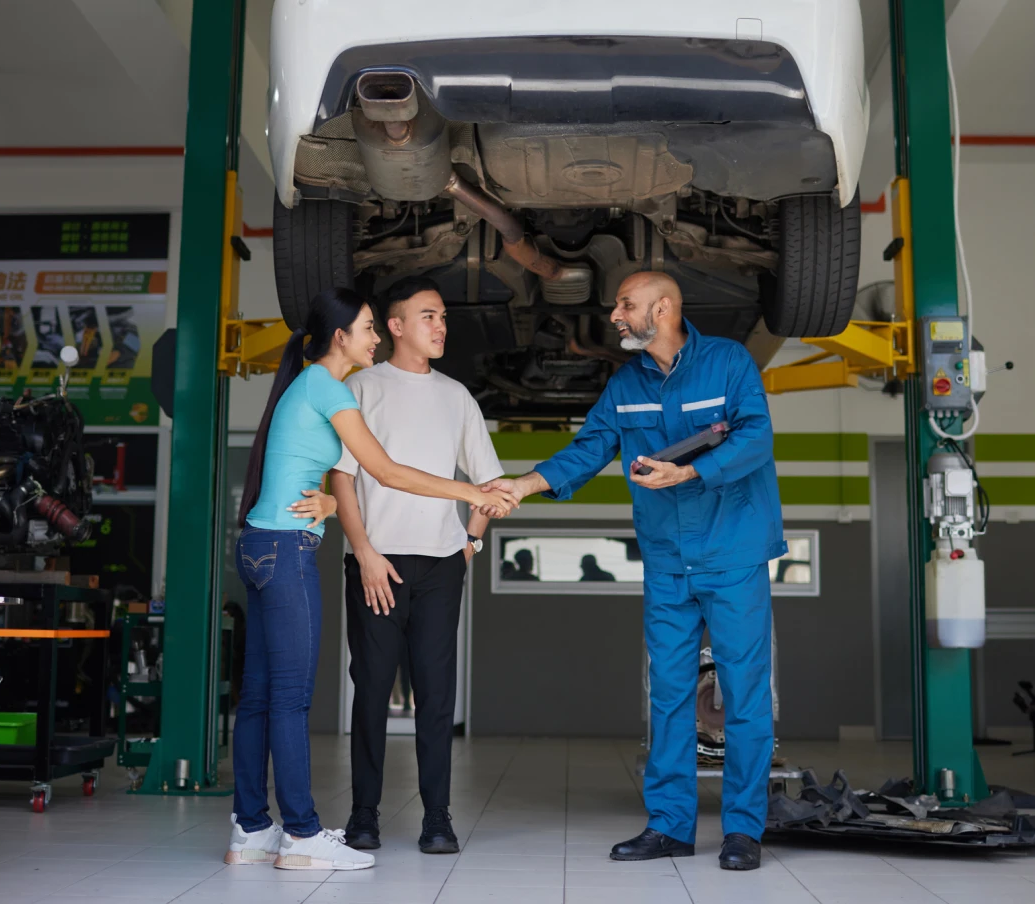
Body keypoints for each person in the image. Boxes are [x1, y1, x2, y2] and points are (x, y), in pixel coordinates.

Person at [484, 272, 783, 872]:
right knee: (670, 697)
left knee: (745, 697)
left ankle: (743, 831)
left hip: (732, 555)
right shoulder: (625, 385)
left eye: (627, 304)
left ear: (664, 307)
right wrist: (524, 483)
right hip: (669, 563)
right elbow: (589, 448)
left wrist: (692, 472)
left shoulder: (727, 363)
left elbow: (756, 437)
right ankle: (670, 826)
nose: (616, 314)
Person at [226, 287, 516, 872]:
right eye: (368, 329)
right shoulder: (337, 387)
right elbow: (375, 470)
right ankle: (306, 834)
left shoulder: (313, 384)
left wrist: (469, 538)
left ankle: (251, 828)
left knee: (259, 697)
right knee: (289, 699)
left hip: (266, 542)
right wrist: (466, 493)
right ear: (347, 335)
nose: (374, 340)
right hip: (297, 553)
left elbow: (323, 475)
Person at [328, 277, 507, 856]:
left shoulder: (457, 396)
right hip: (375, 565)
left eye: (444, 317)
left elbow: (489, 482)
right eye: (428, 316)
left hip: (440, 566)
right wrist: (364, 553)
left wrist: (470, 544)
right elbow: (342, 477)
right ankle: (364, 816)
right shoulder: (362, 387)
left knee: (435, 696)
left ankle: (437, 819)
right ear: (396, 325)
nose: (441, 326)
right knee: (373, 689)